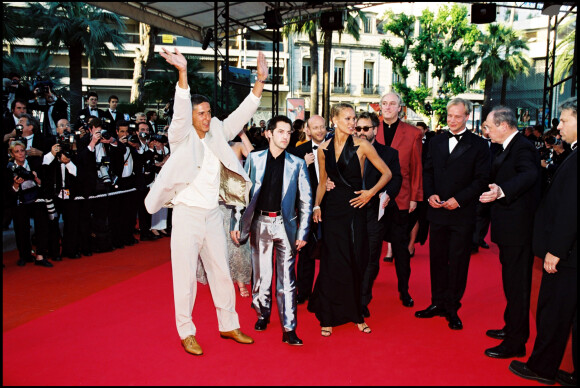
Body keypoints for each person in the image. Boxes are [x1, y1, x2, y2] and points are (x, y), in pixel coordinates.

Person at [144, 47, 268, 356]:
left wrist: (260, 83)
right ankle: (186, 331)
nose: (207, 117)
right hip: (186, 215)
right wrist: (183, 74)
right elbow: (182, 110)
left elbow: (241, 114)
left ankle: (228, 325)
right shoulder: (180, 135)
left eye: (209, 112)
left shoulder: (215, 130)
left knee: (221, 272)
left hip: (213, 214)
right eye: (202, 113)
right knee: (184, 276)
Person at [307, 103, 392, 337]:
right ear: (334, 120)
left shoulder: (362, 145)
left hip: (356, 209)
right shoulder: (323, 149)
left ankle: (356, 313)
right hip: (333, 210)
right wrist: (316, 205)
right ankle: (328, 315)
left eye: (354, 118)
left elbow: (387, 173)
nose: (352, 122)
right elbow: (323, 182)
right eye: (347, 118)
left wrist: (370, 192)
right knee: (333, 262)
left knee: (356, 260)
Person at [509, 97, 577, 386]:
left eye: (564, 120)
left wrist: (556, 250)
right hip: (571, 251)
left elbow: (571, 209)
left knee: (554, 312)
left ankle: (542, 368)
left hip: (568, 254)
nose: (558, 126)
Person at [231, 115, 312, 346]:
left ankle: (289, 328)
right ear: (269, 133)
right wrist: (235, 224)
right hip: (260, 224)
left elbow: (305, 200)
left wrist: (303, 232)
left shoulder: (297, 163)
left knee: (287, 279)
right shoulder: (254, 159)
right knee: (262, 275)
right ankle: (262, 313)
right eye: (281, 132)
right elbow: (241, 194)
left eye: (289, 133)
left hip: (286, 227)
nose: (285, 136)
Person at [416, 98, 490, 330]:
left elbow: (481, 179)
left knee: (458, 262)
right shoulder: (436, 141)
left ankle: (452, 307)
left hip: (462, 213)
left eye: (458, 116)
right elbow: (427, 171)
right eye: (450, 116)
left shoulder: (479, 145)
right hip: (437, 211)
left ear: (467, 116)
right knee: (437, 259)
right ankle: (437, 302)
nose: (453, 120)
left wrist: (459, 200)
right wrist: (430, 195)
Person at [479, 106, 541, 359]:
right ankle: (511, 328)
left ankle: (516, 342)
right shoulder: (506, 146)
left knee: (517, 286)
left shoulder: (523, 147)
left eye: (489, 127)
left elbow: (529, 174)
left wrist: (501, 191)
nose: (486, 131)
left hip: (519, 230)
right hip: (509, 229)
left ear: (504, 126)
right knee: (511, 283)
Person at [376, 92, 423, 308]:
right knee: (371, 247)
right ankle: (364, 290)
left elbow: (416, 168)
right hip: (373, 196)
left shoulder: (413, 133)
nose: (387, 107)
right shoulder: (370, 128)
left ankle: (404, 291)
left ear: (399, 108)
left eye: (392, 104)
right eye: (384, 103)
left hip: (402, 197)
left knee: (401, 249)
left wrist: (415, 197)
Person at [353, 111, 402, 318]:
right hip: (351, 212)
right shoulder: (347, 150)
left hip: (375, 212)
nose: (362, 133)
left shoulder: (389, 154)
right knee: (352, 256)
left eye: (366, 128)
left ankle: (363, 299)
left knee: (371, 257)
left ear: (375, 129)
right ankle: (351, 296)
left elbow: (396, 178)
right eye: (358, 128)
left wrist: (388, 194)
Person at [197, 127, 254, 297]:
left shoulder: (237, 146)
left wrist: (242, 134)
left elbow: (253, 156)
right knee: (218, 244)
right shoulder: (209, 147)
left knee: (237, 244)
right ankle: (223, 281)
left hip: (235, 201)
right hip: (214, 202)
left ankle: (241, 281)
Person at [289, 114, 327, 304]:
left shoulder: (336, 148)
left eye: (322, 127)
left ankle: (323, 293)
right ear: (308, 131)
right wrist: (303, 165)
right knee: (306, 254)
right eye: (315, 127)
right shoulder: (299, 152)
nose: (320, 130)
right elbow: (289, 182)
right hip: (307, 209)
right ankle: (303, 292)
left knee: (330, 252)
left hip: (331, 207)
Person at [6, 141, 53, 267]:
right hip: (19, 201)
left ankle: (40, 255)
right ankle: (24, 255)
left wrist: (38, 180)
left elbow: (44, 183)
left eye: (22, 150)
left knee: (42, 223)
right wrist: (16, 185)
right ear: (12, 154)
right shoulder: (8, 169)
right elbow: (8, 193)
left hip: (36, 199)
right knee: (21, 228)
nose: (21, 153)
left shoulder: (34, 163)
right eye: (17, 151)